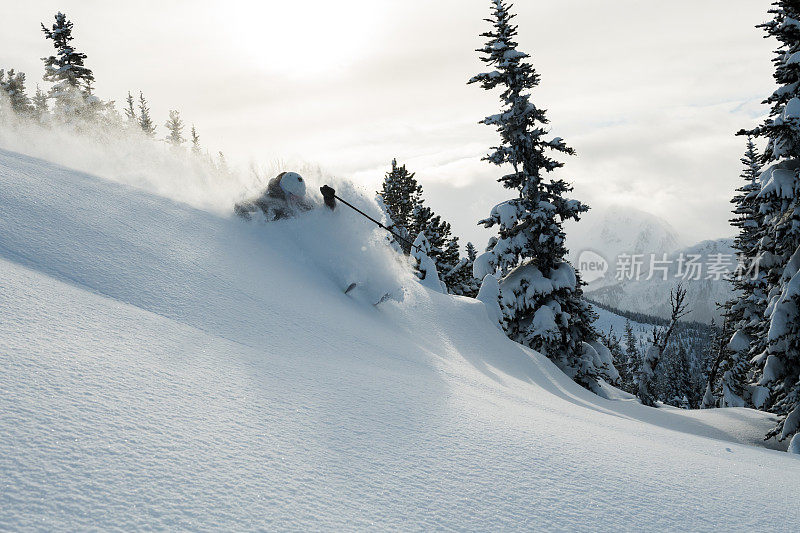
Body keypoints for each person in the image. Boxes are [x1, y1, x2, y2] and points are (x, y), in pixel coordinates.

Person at [235, 171, 313, 220]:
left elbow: (308, 207)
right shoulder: (267, 200)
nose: (297, 199)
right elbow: (239, 207)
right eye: (295, 196)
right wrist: (250, 223)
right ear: (286, 191)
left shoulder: (292, 193)